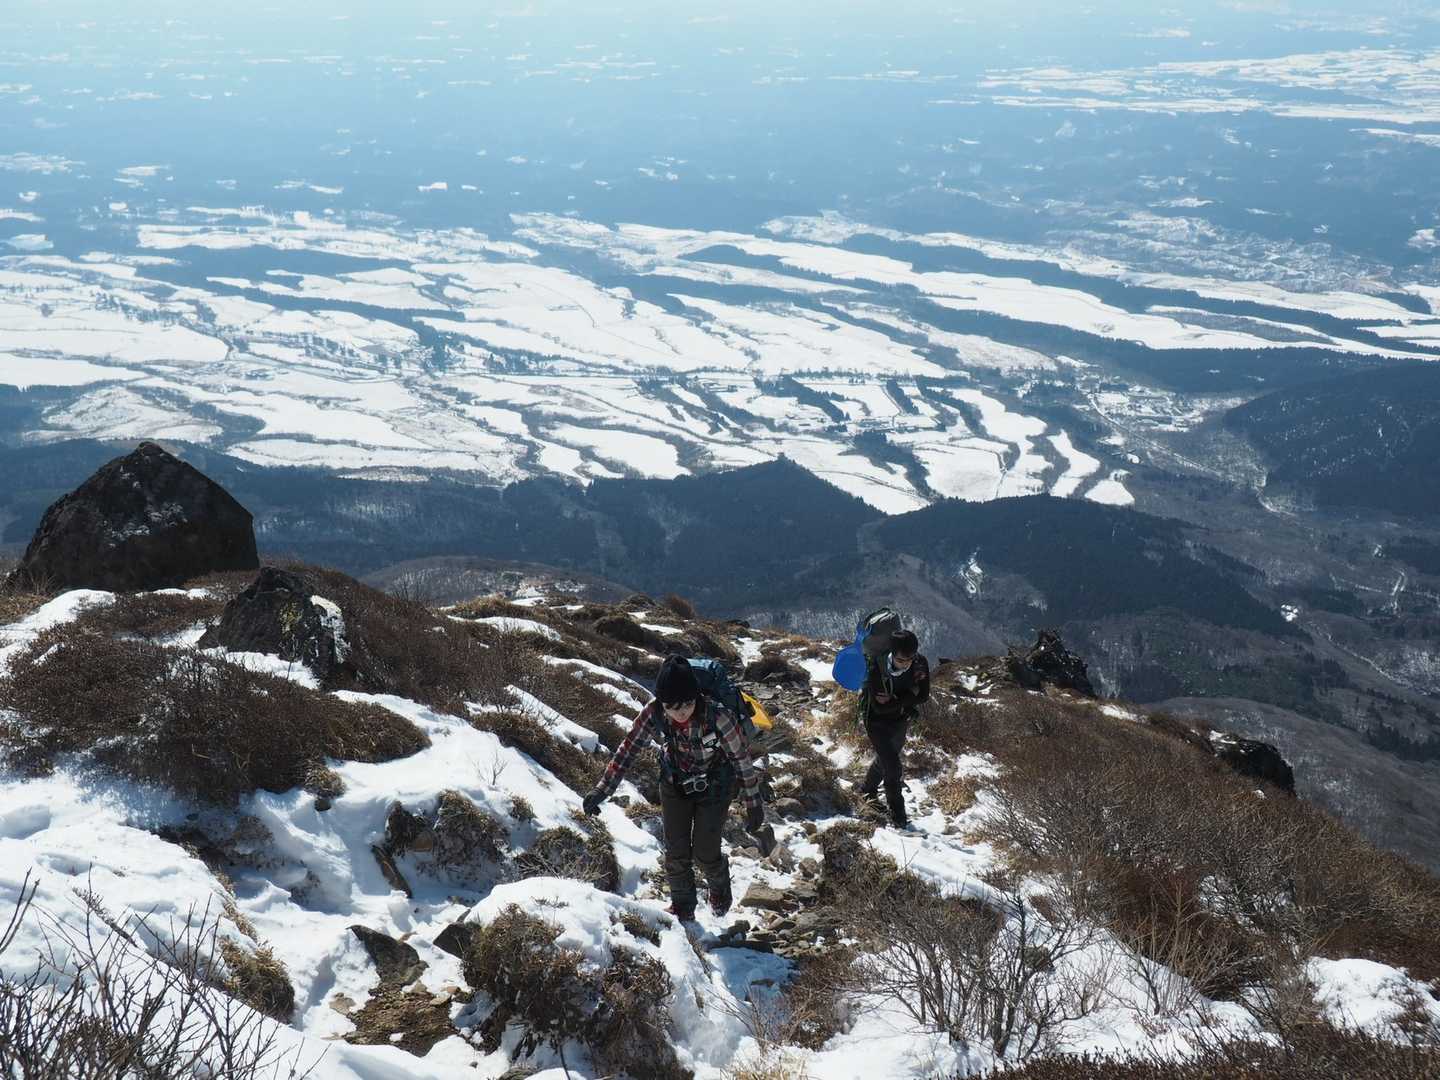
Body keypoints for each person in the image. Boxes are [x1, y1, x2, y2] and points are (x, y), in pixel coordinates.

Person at [582, 653, 774, 922]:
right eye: (672, 706)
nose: (681, 711)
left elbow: (741, 760)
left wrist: (753, 804)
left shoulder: (718, 717)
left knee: (705, 853)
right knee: (676, 851)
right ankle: (683, 908)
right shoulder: (654, 712)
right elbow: (629, 748)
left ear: (696, 696)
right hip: (674, 782)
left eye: (687, 703)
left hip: (716, 785)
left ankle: (719, 887)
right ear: (662, 702)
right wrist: (603, 789)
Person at [858, 628, 930, 829]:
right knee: (893, 766)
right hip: (875, 721)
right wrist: (909, 695)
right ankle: (898, 815)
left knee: (886, 759)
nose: (906, 664)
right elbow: (880, 707)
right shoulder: (876, 668)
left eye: (909, 659)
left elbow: (924, 695)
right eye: (900, 660)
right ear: (892, 653)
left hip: (900, 718)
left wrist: (896, 699)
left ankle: (867, 790)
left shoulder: (919, 663)